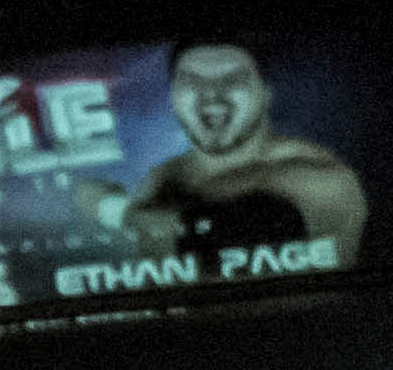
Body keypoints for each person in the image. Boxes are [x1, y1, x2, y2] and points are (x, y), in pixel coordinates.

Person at [79, 43, 369, 258]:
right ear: (173, 97)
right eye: (193, 81)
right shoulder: (163, 178)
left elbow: (218, 233)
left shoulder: (320, 178)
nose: (211, 95)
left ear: (265, 93)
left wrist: (110, 208)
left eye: (232, 80)